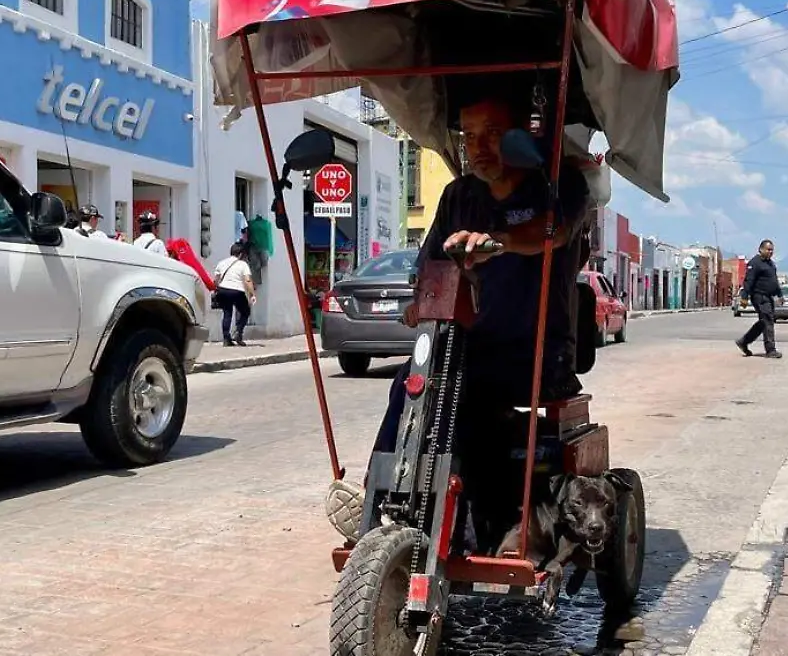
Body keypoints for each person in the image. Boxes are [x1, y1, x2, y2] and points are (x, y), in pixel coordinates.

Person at [324, 94, 593, 546]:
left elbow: (551, 232)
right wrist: (421, 301)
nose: (478, 146)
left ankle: (463, 518)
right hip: (470, 348)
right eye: (469, 135)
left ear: (520, 136)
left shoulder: (560, 185)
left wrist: (500, 240)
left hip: (539, 353)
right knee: (412, 382)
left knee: (462, 397)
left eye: (491, 133)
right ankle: (378, 495)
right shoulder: (459, 196)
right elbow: (430, 267)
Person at [735, 240, 783, 358]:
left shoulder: (770, 263)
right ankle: (770, 350)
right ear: (761, 249)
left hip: (768, 297)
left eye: (772, 250)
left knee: (763, 322)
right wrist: (744, 297)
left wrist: (780, 294)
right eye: (768, 249)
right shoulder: (755, 263)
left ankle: (744, 341)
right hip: (759, 296)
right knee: (768, 321)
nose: (770, 252)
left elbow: (774, 281)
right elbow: (748, 281)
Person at [213, 243, 257, 347]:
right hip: (237, 291)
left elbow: (216, 280)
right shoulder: (243, 264)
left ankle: (226, 338)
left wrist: (217, 289)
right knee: (245, 312)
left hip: (223, 290)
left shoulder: (222, 263)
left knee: (227, 313)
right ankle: (238, 333)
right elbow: (247, 280)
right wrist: (252, 294)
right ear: (241, 254)